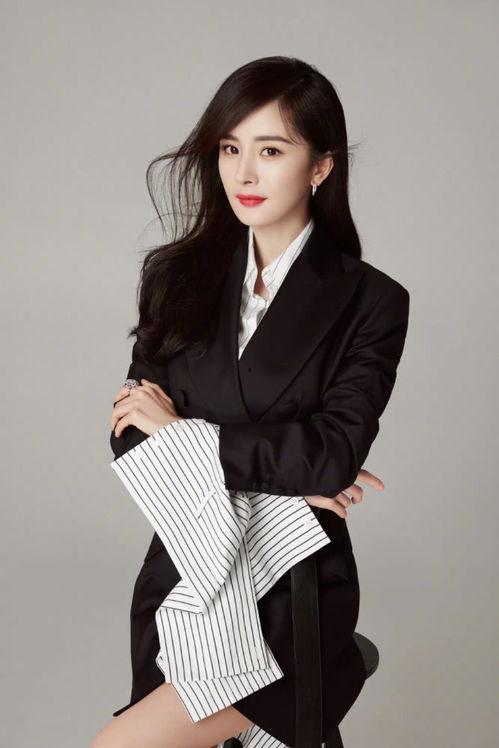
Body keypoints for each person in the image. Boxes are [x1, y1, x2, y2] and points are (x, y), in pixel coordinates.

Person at [91, 56, 410, 748]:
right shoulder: (176, 278)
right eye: (230, 149)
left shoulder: (371, 301)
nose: (243, 173)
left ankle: (322, 672)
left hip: (290, 588)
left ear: (320, 167)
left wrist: (184, 432)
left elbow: (331, 455)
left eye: (270, 151)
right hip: (184, 575)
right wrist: (284, 477)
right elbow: (128, 432)